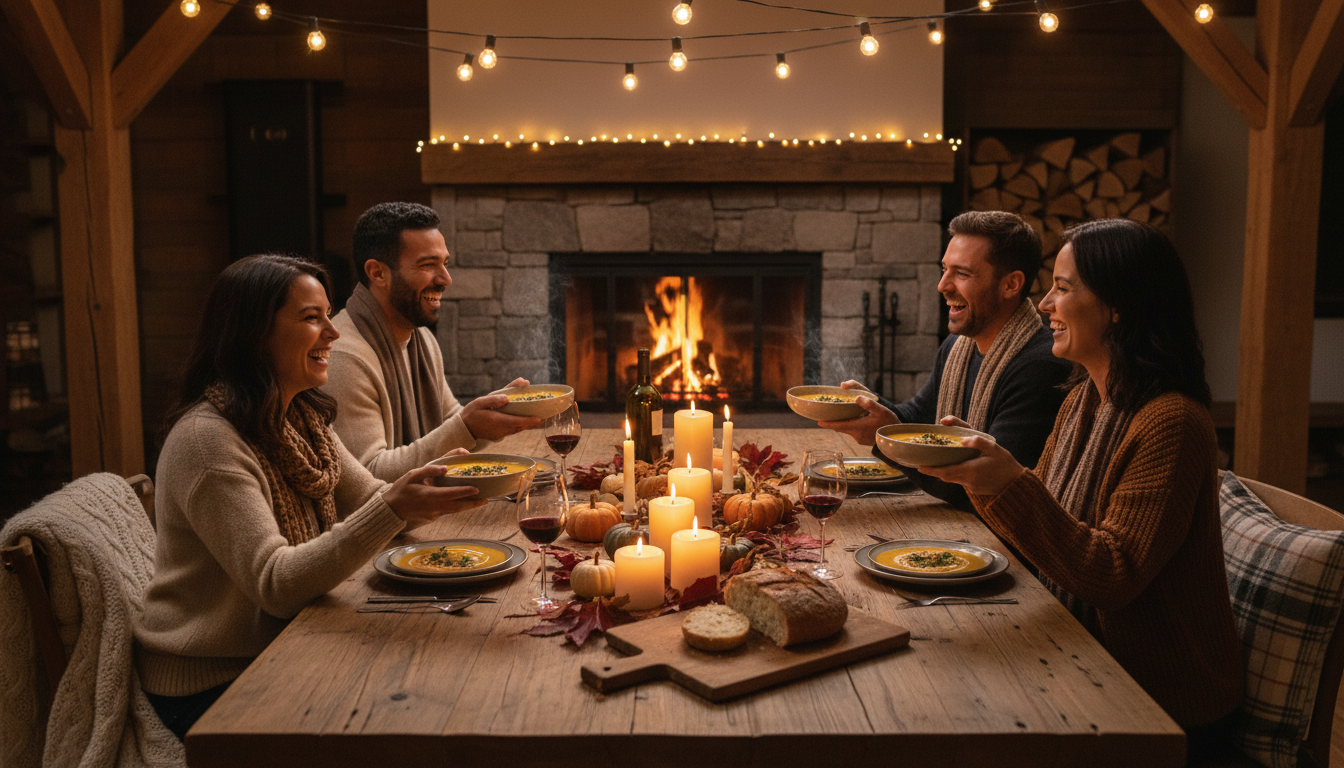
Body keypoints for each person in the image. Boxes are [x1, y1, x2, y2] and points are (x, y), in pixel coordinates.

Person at [922, 219, 1243, 762]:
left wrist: (1007, 482)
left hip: (1161, 704)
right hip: (1079, 653)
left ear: (1117, 307)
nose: (1045, 304)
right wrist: (977, 474)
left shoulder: (1172, 423)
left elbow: (1113, 576)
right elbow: (1036, 531)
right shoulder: (1082, 401)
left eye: (1063, 288)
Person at [134, 255, 487, 739]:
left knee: (437, 685)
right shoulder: (208, 442)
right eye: (311, 318)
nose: (333, 332)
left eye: (327, 314)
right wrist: (392, 509)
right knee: (407, 715)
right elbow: (276, 584)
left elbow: (373, 500)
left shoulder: (300, 418)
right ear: (255, 334)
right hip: (212, 683)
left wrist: (445, 491)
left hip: (286, 645)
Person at [820, 211, 1071, 513]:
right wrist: (867, 407)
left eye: (962, 274)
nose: (942, 285)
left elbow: (982, 487)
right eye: (944, 269)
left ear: (1011, 284)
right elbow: (918, 415)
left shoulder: (1042, 365)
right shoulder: (956, 346)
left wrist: (884, 438)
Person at [324, 202, 540, 482]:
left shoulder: (421, 338)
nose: (446, 279)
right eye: (427, 265)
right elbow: (369, 476)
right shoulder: (344, 357)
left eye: (445, 264)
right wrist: (468, 426)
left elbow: (450, 424)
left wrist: (498, 411)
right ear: (377, 273)